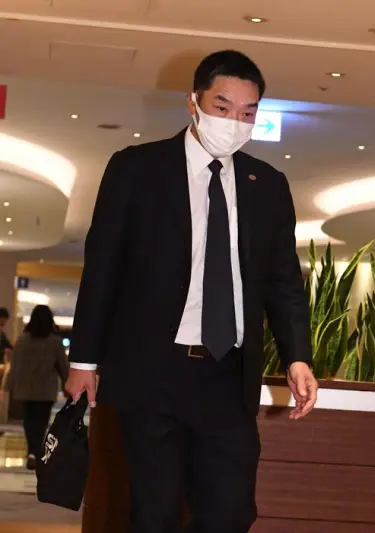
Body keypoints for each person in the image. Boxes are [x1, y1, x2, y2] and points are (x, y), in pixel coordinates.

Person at [66, 50, 318, 533]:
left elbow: (283, 280)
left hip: (228, 376)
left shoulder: (267, 185)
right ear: (194, 103)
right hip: (154, 370)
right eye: (222, 107)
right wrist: (84, 361)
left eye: (247, 112)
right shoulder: (136, 169)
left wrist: (297, 357)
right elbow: (102, 269)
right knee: (155, 513)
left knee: (230, 512)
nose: (234, 121)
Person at [4, 305, 69, 470]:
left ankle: (32, 452)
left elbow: (15, 366)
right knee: (41, 423)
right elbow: (63, 367)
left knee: (29, 422)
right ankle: (35, 452)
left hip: (25, 389)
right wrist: (68, 385)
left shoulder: (22, 340)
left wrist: (7, 386)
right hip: (45, 390)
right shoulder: (55, 342)